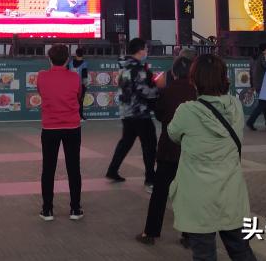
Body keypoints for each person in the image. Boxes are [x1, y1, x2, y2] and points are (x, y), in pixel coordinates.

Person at [168, 54, 256, 261]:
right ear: (224, 78)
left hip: (197, 198)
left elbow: (173, 134)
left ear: (194, 80)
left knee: (204, 255)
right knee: (240, 249)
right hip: (231, 193)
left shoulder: (186, 111)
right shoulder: (236, 106)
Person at [136, 54, 196, 246]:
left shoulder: (167, 92)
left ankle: (150, 233)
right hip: (192, 150)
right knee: (189, 193)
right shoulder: (198, 92)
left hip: (169, 149)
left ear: (173, 72)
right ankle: (189, 236)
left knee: (160, 193)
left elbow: (160, 115)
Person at [36, 43, 83, 221]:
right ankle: (75, 209)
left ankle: (47, 210)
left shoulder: (41, 77)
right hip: (72, 127)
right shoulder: (75, 77)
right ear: (68, 59)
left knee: (48, 169)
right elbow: (78, 96)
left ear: (49, 58)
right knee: (73, 168)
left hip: (49, 128)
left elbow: (41, 93)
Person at [105, 38, 159, 190]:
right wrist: (158, 90)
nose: (147, 51)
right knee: (149, 145)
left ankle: (112, 170)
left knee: (126, 142)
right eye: (146, 48)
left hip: (126, 111)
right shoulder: (138, 69)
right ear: (140, 50)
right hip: (140, 112)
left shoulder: (124, 66)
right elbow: (145, 91)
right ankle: (150, 178)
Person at [245, 43, 266, 131]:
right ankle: (250, 122)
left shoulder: (255, 58)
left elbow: (252, 72)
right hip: (262, 85)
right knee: (262, 105)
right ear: (265, 50)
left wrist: (253, 85)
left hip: (258, 84)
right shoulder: (262, 57)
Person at [68, 47, 90, 119]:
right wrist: (85, 86)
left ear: (76, 54)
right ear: (82, 55)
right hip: (80, 86)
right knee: (80, 101)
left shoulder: (70, 63)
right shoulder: (84, 64)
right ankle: (80, 116)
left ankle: (71, 116)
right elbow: (84, 77)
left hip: (70, 86)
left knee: (71, 101)